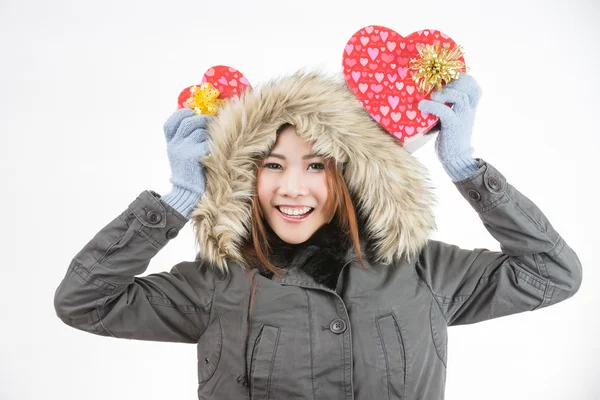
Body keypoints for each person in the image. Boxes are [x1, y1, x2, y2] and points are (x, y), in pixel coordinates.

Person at [54, 70, 582, 399]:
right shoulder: (217, 282)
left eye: (316, 166)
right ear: (245, 175)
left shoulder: (423, 269)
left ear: (353, 173)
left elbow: (551, 274)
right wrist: (178, 199)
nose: (292, 188)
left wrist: (467, 169)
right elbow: (84, 301)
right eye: (272, 165)